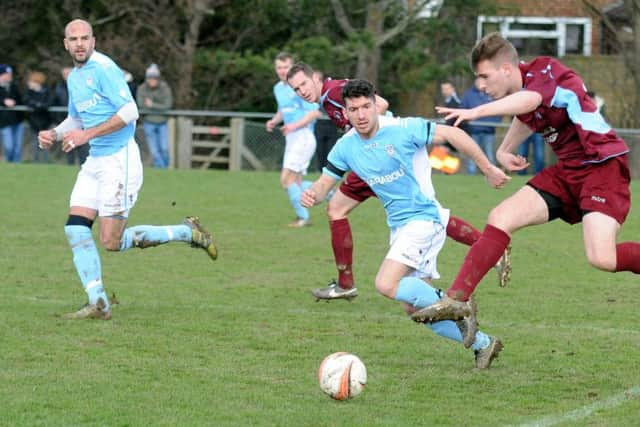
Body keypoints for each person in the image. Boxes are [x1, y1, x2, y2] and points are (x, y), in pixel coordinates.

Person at [412, 32, 640, 325]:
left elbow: (530, 100)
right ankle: (457, 300)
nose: (481, 85)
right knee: (501, 216)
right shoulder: (524, 88)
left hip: (601, 165)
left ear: (506, 69)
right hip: (568, 170)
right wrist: (505, 149)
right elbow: (526, 114)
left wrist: (477, 111)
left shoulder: (544, 70)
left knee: (602, 258)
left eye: (484, 76)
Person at [301, 79, 509, 368]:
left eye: (365, 107)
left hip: (424, 218)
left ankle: (457, 304)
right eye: (353, 109)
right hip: (400, 226)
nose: (361, 115)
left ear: (376, 105)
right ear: (345, 114)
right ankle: (484, 344)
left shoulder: (402, 129)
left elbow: (453, 134)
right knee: (415, 309)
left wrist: (487, 168)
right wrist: (313, 194)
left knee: (386, 283)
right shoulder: (345, 147)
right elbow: (325, 184)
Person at [38, 19, 218, 320]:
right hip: (95, 160)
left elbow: (130, 112)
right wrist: (54, 134)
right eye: (74, 39)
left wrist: (86, 136)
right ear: (65, 44)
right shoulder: (75, 78)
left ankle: (187, 233)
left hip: (119, 160)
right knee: (75, 227)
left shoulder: (105, 69)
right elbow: (77, 120)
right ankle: (99, 303)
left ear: (93, 41)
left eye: (85, 38)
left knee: (111, 242)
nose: (80, 43)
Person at [286, 62, 512, 301]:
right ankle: (487, 254)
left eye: (303, 84)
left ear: (315, 78)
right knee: (415, 215)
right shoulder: (331, 104)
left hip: (387, 154)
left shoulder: (333, 93)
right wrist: (315, 191)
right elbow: (324, 181)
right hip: (369, 155)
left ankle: (347, 285)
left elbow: (381, 105)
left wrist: (375, 142)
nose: (301, 91)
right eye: (296, 89)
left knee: (416, 212)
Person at [265, 52, 321, 228]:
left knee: (286, 179)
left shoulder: (299, 87)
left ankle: (303, 217)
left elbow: (314, 112)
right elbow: (284, 110)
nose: (282, 71)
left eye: (286, 67)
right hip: (292, 137)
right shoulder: (278, 88)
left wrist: (293, 126)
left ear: (292, 68)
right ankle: (329, 191)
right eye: (279, 67)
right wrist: (274, 120)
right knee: (295, 182)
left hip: (303, 136)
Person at [460, 77, 502, 174]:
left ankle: (494, 175)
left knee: (490, 155)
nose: (481, 84)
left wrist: (493, 123)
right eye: (479, 81)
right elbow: (463, 108)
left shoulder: (492, 93)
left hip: (489, 132)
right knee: (473, 155)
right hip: (473, 131)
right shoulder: (469, 94)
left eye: (483, 81)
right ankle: (471, 175)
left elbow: (499, 110)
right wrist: (468, 120)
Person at [136, 63, 173, 168]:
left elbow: (167, 105)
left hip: (162, 122)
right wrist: (157, 106)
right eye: (150, 78)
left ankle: (165, 169)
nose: (152, 80)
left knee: (164, 148)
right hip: (148, 122)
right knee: (154, 151)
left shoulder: (165, 88)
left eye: (154, 78)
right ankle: (160, 170)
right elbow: (141, 105)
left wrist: (152, 105)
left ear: (158, 78)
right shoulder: (142, 88)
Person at [52, 66, 89, 165]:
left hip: (81, 122)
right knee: (68, 145)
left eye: (69, 73)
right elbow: (54, 103)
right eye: (65, 74)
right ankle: (70, 165)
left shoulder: (82, 86)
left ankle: (83, 164)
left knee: (82, 146)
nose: (67, 76)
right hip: (65, 121)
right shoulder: (59, 88)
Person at [312, 70, 340, 172]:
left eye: (316, 78)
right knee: (320, 153)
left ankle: (330, 176)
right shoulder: (310, 94)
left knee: (331, 153)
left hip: (331, 125)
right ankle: (322, 176)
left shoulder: (328, 91)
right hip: (319, 126)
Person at [25, 71, 51, 163]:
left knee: (45, 142)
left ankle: (46, 161)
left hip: (45, 122)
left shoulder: (47, 91)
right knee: (35, 143)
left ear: (37, 82)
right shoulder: (29, 92)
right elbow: (28, 102)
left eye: (31, 81)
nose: (29, 83)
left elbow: (47, 105)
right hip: (33, 122)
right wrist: (38, 105)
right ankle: (35, 161)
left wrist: (37, 106)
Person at [0, 64, 25, 163]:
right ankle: (9, 163)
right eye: (7, 74)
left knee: (17, 146)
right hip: (4, 122)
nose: (10, 76)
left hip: (17, 120)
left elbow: (21, 100)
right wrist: (3, 101)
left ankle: (17, 166)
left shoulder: (14, 86)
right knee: (9, 146)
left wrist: (15, 102)